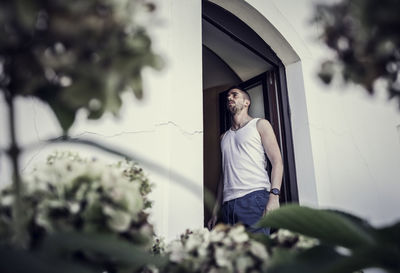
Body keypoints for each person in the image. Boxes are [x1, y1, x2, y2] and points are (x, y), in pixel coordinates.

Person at [207, 86, 283, 234]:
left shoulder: (260, 124)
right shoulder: (223, 137)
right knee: (234, 255)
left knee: (256, 252)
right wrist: (215, 212)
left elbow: (277, 162)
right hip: (228, 206)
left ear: (246, 102)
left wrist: (274, 197)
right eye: (228, 96)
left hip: (254, 199)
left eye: (234, 95)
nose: (229, 98)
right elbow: (224, 175)